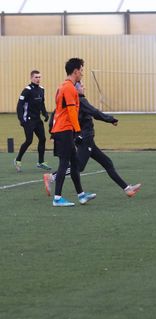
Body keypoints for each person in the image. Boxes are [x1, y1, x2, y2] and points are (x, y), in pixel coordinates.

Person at [43, 81, 141, 198]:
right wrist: (111, 119)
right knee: (78, 167)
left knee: (107, 162)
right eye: (81, 86)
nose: (84, 87)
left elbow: (56, 114)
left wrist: (52, 132)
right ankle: (52, 177)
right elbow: (95, 112)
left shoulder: (72, 101)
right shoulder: (80, 100)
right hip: (84, 138)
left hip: (87, 139)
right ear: (76, 89)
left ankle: (127, 189)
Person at [50, 58, 96, 207]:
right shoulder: (69, 88)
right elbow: (71, 112)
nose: (82, 73)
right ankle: (57, 198)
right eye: (81, 70)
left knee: (74, 163)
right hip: (64, 130)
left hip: (64, 130)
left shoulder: (62, 86)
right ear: (75, 71)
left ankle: (81, 196)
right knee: (64, 163)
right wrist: (78, 131)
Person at [14, 70, 51, 172]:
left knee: (42, 139)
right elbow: (19, 106)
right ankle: (18, 160)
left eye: (39, 77)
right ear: (31, 78)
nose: (38, 79)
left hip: (37, 120)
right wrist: (21, 119)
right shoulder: (27, 90)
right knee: (29, 141)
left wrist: (45, 113)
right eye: (36, 77)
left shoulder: (42, 89)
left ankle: (40, 162)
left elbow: (42, 103)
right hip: (28, 120)